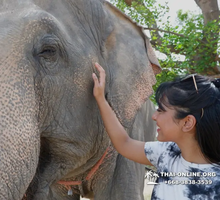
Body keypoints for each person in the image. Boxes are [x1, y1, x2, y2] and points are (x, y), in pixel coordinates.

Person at [92, 62, 220, 200]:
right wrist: (101, 99)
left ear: (187, 122)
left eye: (161, 110)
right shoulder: (166, 153)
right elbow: (124, 143)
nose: (154, 116)